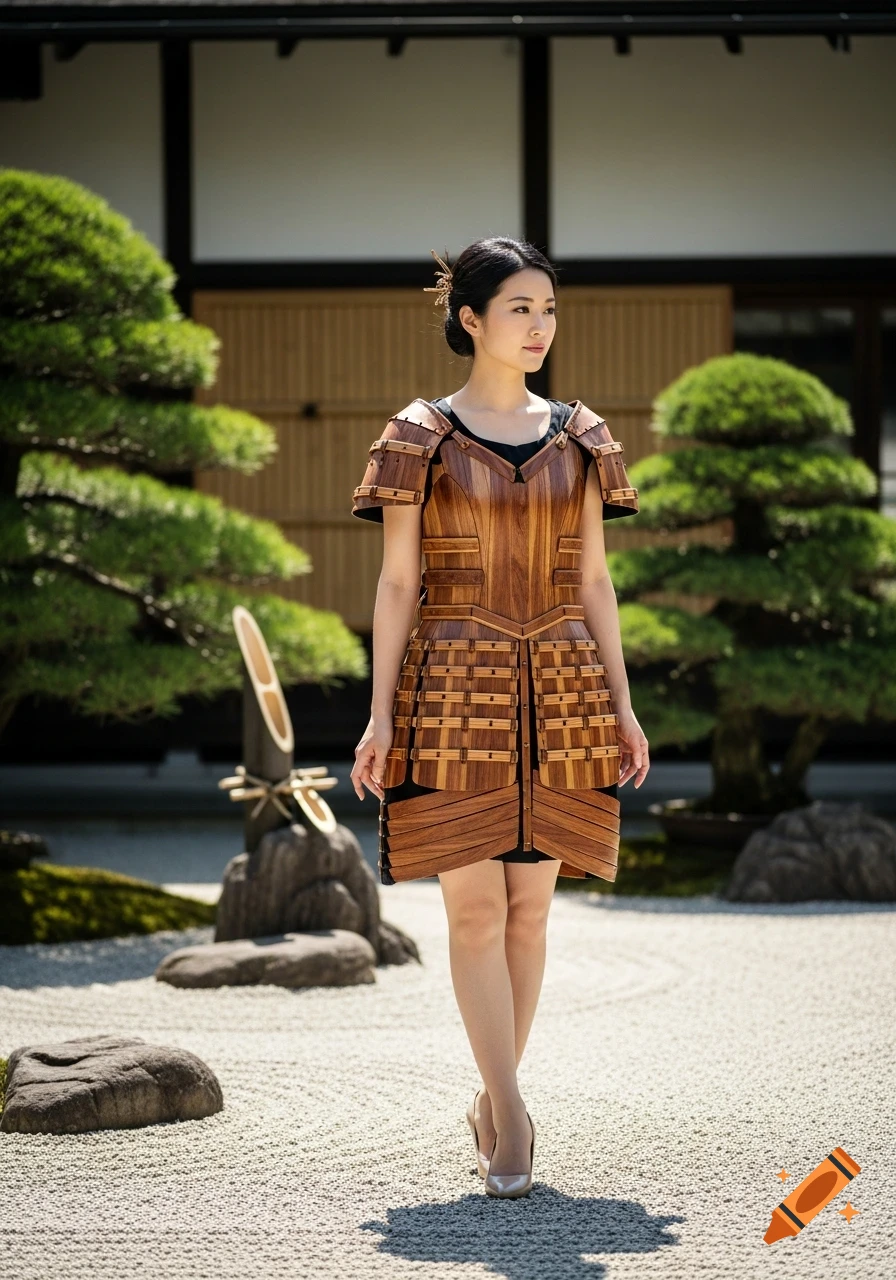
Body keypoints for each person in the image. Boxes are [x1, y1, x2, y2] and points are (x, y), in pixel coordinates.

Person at [350, 237, 650, 1199]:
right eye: (520, 308)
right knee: (475, 910)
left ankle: (491, 1096)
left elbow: (595, 580)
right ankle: (513, 1115)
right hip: (449, 688)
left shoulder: (582, 436)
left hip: (566, 692)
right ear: (470, 318)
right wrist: (379, 717)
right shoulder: (419, 434)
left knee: (529, 915)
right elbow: (397, 584)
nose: (539, 325)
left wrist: (625, 705)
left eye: (548, 308)